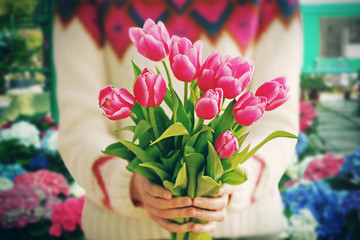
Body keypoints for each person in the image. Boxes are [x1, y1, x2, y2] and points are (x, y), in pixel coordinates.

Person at [54, 1, 303, 239]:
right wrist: (131, 184)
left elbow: (277, 120)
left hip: (248, 227)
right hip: (124, 230)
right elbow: (79, 126)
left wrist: (229, 185)